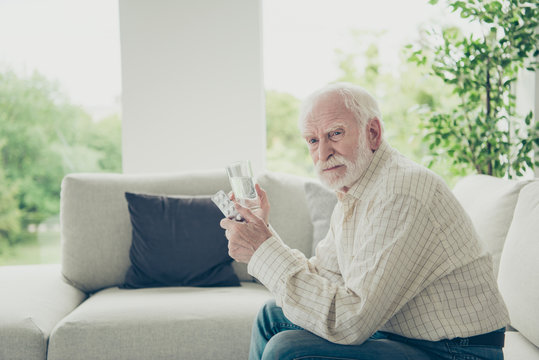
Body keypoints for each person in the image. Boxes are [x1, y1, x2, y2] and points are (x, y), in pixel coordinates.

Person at [220, 82, 509, 360]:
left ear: (372, 133)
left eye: (335, 134)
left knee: (287, 349)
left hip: (458, 352)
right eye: (312, 140)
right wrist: (265, 239)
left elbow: (349, 322)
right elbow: (324, 278)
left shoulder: (400, 191)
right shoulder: (356, 191)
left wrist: (263, 251)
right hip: (404, 337)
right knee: (272, 317)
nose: (322, 153)